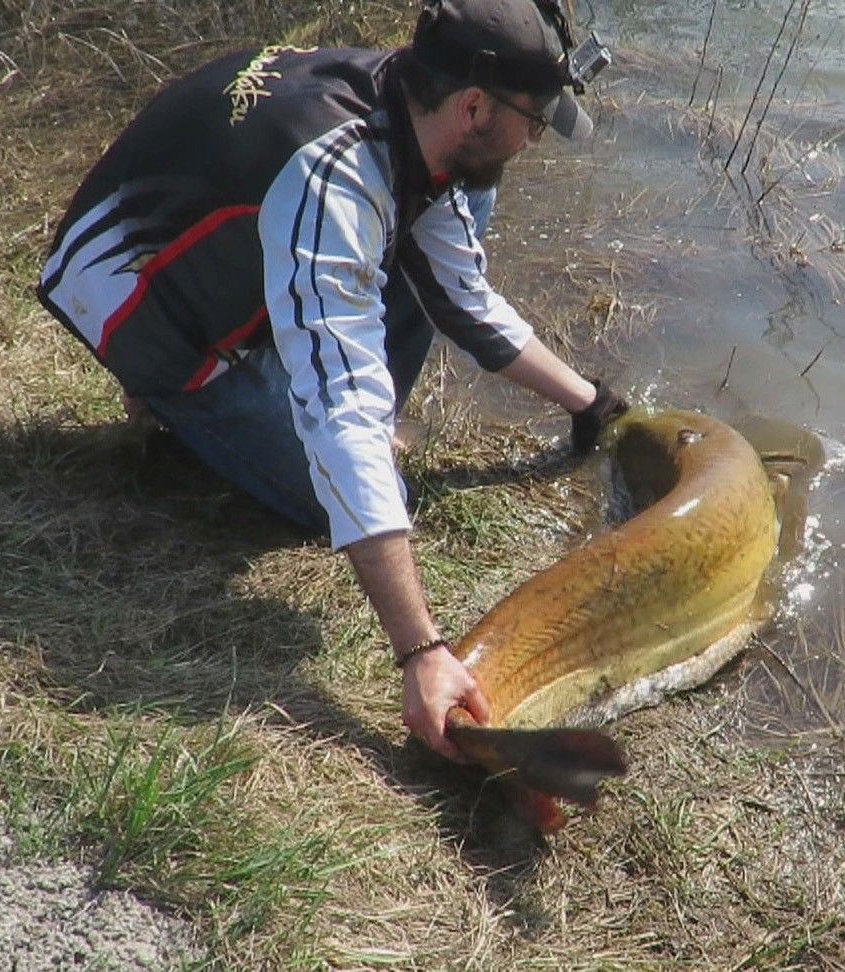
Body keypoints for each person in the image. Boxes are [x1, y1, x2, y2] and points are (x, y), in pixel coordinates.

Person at [36, 0, 627, 762]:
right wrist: (422, 651)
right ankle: (169, 401)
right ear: (475, 106)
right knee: (337, 496)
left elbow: (461, 297)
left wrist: (588, 402)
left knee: (454, 214)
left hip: (236, 233)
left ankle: (271, 365)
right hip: (142, 303)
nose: (537, 138)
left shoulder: (413, 107)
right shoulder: (335, 175)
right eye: (535, 120)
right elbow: (342, 411)